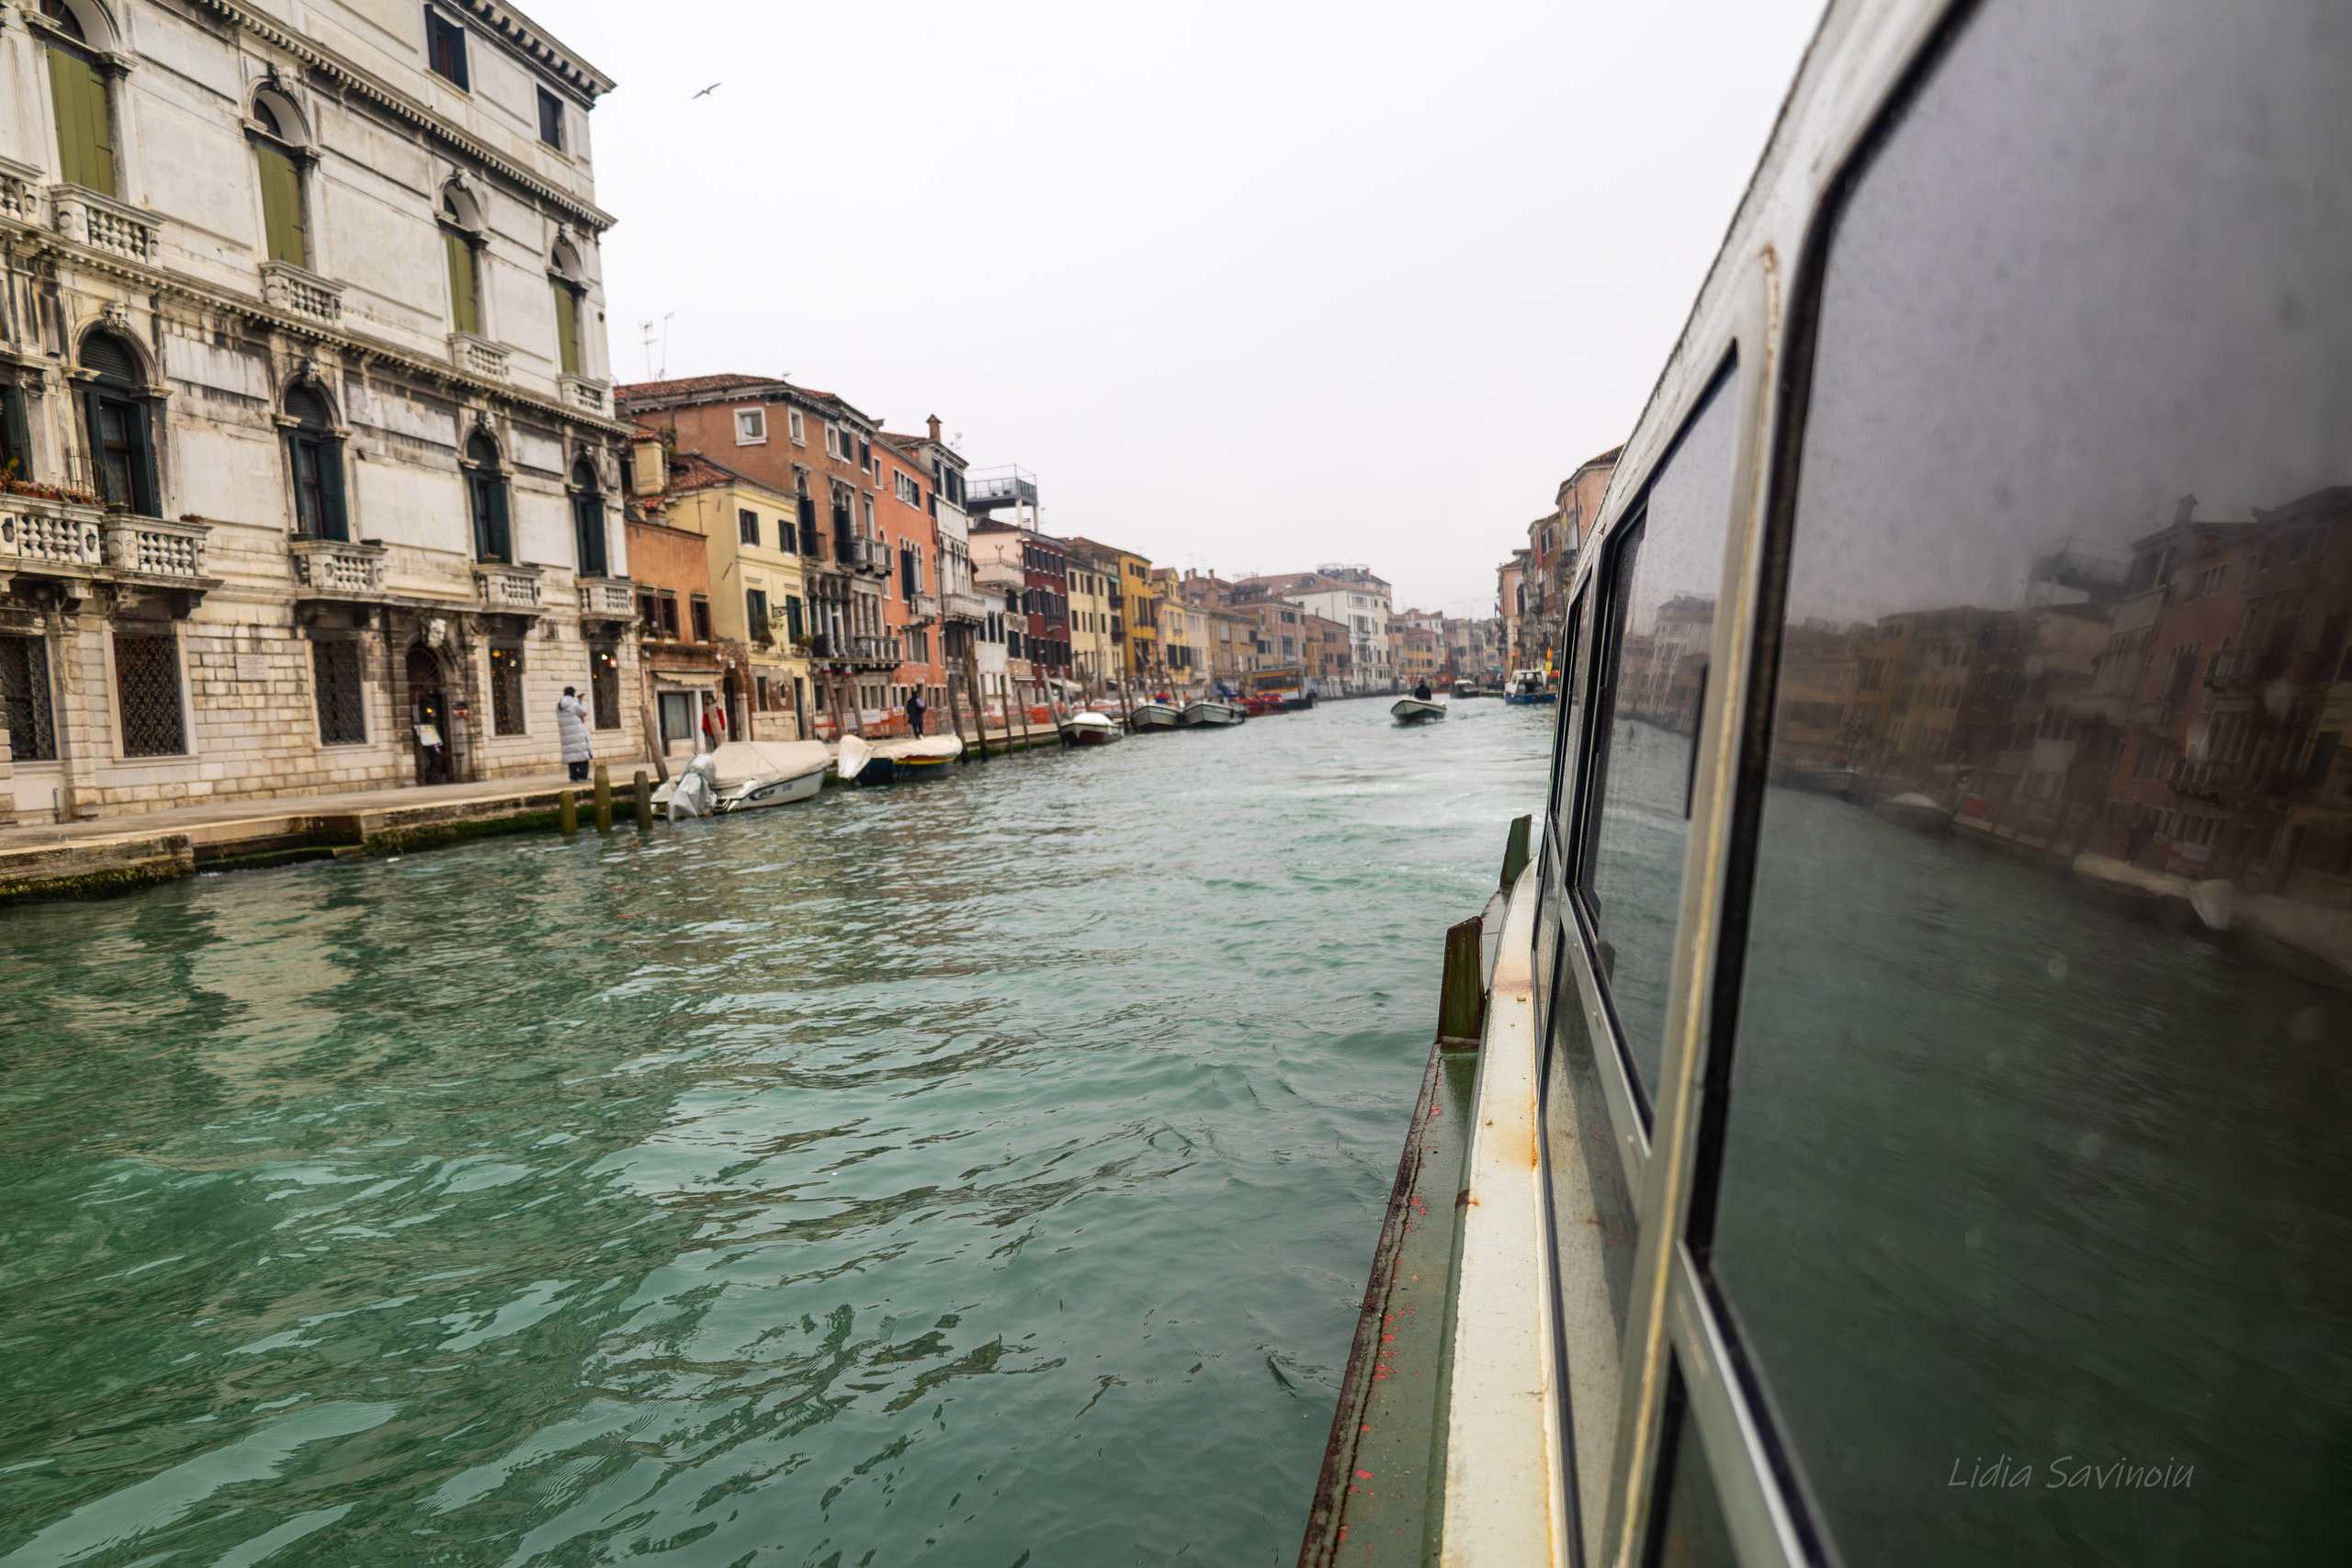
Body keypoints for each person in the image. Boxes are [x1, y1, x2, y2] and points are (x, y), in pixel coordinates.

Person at [555, 686, 592, 783]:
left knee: (571, 756)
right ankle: (583, 777)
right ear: (573, 694)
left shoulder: (559, 705)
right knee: (583, 755)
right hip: (577, 732)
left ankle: (573, 777)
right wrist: (581, 701)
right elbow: (584, 713)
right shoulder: (574, 704)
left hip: (566, 734)